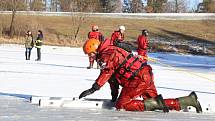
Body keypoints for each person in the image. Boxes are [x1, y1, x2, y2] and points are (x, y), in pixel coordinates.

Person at [79, 38, 202, 113]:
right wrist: (114, 95)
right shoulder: (110, 50)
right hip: (145, 75)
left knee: (122, 105)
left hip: (137, 79)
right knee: (155, 103)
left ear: (95, 50)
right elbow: (113, 80)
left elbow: (107, 72)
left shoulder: (106, 55)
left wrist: (94, 88)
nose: (90, 57)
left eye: (90, 54)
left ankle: (162, 102)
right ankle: (188, 100)